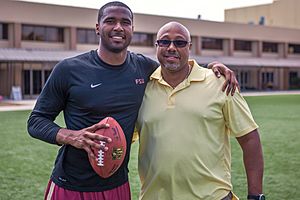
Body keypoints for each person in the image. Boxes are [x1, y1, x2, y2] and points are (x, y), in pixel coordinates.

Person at [27, 2, 238, 200]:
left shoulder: (144, 68)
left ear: (132, 29)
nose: (118, 27)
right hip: (70, 184)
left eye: (125, 22)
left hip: (117, 184)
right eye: (110, 21)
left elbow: (177, 64)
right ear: (98, 28)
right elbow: (36, 121)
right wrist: (71, 136)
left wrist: (212, 68)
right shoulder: (69, 69)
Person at [136, 21, 264, 200]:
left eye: (179, 43)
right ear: (156, 46)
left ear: (189, 47)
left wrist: (256, 195)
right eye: (164, 42)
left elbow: (250, 139)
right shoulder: (142, 89)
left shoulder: (220, 82)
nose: (171, 47)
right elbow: (122, 138)